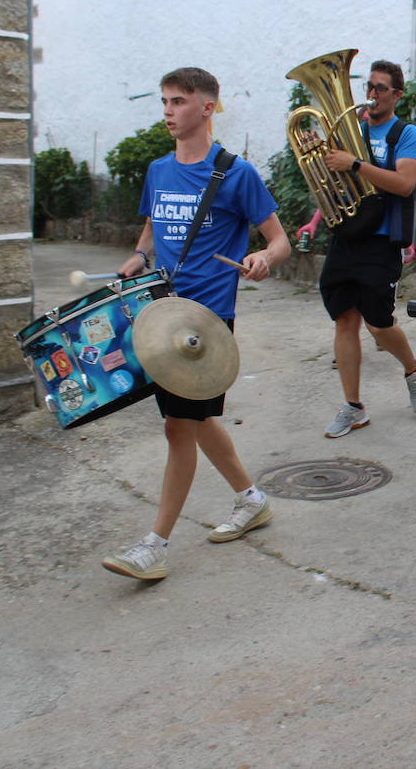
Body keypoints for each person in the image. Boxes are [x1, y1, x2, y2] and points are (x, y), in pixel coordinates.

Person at [102, 67, 291, 581]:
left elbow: (280, 241)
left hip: (205, 324)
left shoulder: (236, 173)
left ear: (207, 107)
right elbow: (151, 227)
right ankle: (251, 500)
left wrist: (262, 259)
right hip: (160, 315)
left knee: (178, 426)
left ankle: (155, 545)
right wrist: (137, 257)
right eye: (164, 100)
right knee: (195, 419)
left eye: (178, 101)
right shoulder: (159, 170)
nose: (167, 110)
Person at [297, 60, 416, 438]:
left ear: (397, 95)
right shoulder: (347, 130)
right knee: (344, 320)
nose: (371, 94)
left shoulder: (406, 133)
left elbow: (404, 183)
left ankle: (412, 368)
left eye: (380, 88)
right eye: (368, 86)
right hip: (346, 236)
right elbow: (333, 188)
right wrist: (319, 163)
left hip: (380, 241)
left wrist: (354, 163)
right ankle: (353, 406)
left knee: (379, 323)